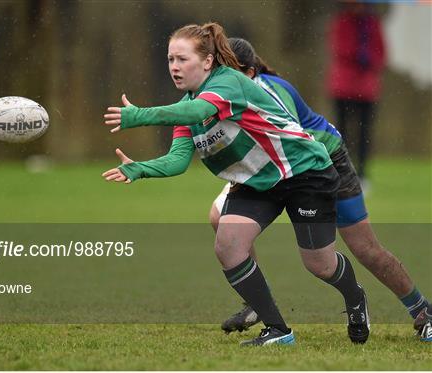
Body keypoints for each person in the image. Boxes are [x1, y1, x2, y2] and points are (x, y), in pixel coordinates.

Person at [103, 22, 370, 346]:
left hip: (303, 172)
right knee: (228, 244)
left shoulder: (227, 83)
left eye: (182, 59)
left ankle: (355, 298)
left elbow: (201, 109)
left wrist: (139, 116)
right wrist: (139, 169)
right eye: (170, 59)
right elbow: (177, 160)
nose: (174, 66)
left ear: (207, 61)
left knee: (320, 264)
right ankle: (278, 330)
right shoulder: (188, 106)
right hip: (258, 182)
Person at [210, 38, 431, 343]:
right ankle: (256, 305)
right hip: (277, 167)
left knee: (365, 249)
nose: (219, 82)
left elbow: (289, 138)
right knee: (218, 216)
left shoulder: (269, 90)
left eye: (227, 73)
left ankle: (423, 312)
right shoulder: (223, 94)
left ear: (249, 73)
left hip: (323, 162)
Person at [326, 2, 386, 182]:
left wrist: (370, 58)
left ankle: (361, 172)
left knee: (364, 133)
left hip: (366, 88)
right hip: (344, 87)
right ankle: (341, 169)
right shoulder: (342, 22)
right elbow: (340, 49)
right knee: (342, 131)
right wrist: (358, 54)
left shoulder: (373, 23)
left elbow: (381, 52)